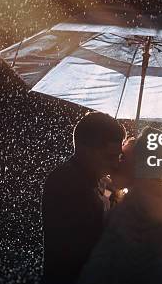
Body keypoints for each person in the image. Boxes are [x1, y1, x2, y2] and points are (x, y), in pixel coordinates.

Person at [77, 127, 162, 284]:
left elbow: (105, 266)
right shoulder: (158, 199)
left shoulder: (135, 206)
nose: (116, 163)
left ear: (140, 163)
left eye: (123, 157)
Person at [41, 112, 126, 284]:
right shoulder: (66, 182)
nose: (116, 164)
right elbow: (83, 248)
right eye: (110, 156)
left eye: (118, 156)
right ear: (87, 150)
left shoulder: (97, 182)